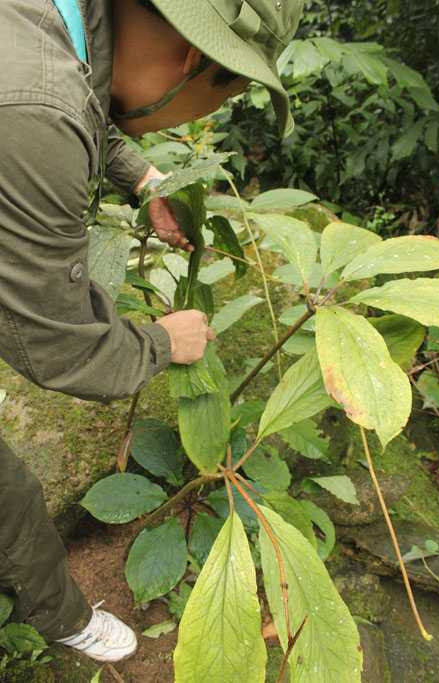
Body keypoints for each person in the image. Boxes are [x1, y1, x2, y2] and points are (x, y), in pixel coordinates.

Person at [0, 0, 304, 664]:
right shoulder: (34, 108)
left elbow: (76, 100)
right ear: (194, 58)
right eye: (222, 98)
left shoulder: (54, 25)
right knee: (8, 495)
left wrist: (143, 176)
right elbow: (56, 346)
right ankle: (60, 617)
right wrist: (164, 341)